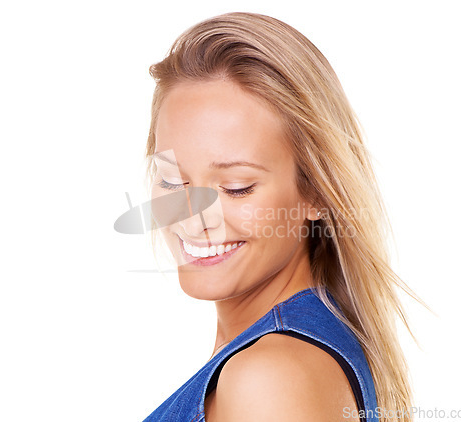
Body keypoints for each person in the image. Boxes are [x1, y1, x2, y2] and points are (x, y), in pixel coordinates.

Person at [142, 12, 415, 422]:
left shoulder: (269, 378)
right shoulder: (273, 356)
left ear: (318, 192)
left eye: (236, 187)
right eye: (171, 182)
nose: (192, 219)